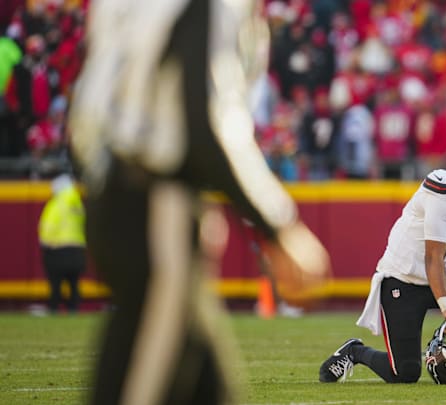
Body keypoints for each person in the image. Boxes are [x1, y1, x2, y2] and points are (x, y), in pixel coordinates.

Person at [69, 1, 329, 404]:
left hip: (121, 193)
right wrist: (278, 225)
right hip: (154, 206)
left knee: (209, 388)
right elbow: (208, 121)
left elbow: (89, 105)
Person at [319, 141, 446, 384]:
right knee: (405, 373)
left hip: (438, 276)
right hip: (403, 281)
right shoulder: (444, 186)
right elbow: (432, 255)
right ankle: (356, 351)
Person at [38, 173, 86, 313]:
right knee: (74, 284)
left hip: (57, 250)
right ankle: (73, 310)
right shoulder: (78, 202)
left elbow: (47, 225)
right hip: (77, 250)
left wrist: (45, 242)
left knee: (56, 284)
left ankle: (53, 310)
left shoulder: (57, 203)